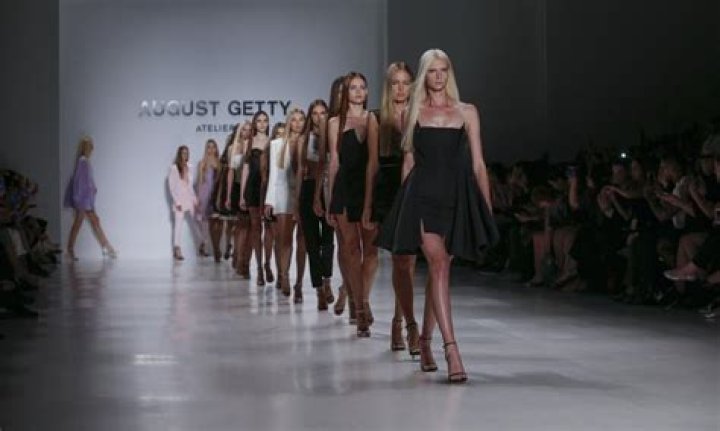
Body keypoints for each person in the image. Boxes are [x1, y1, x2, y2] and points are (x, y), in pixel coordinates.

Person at [378, 49, 498, 383]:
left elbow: (478, 164)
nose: (439, 76)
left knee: (439, 271)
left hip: (456, 197)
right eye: (432, 71)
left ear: (450, 73)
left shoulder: (467, 111)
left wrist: (485, 208)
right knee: (439, 264)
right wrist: (403, 209)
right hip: (422, 196)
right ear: (424, 75)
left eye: (444, 69)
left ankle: (426, 341)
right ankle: (452, 349)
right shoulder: (413, 113)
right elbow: (408, 162)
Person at [363, 61, 420, 354]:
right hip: (387, 192)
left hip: (415, 188)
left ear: (412, 85)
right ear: (388, 87)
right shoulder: (376, 118)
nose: (400, 88)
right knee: (399, 261)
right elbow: (372, 165)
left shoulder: (421, 114)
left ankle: (401, 321)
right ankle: (407, 324)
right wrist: (368, 205)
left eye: (405, 82)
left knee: (409, 262)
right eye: (395, 82)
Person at [328, 72, 380, 337]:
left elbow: (373, 161)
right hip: (344, 189)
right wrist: (329, 200)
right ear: (345, 93)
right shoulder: (334, 122)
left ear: (367, 92)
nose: (358, 92)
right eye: (353, 88)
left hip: (367, 187)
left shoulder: (372, 119)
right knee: (350, 249)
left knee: (371, 251)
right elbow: (334, 162)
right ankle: (359, 309)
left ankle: (363, 299)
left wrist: (370, 198)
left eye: (362, 87)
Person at [298, 99, 335, 310]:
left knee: (328, 240)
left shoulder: (333, 136)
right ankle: (319, 289)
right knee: (312, 243)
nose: (319, 117)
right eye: (315, 113)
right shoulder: (305, 139)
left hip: (328, 189)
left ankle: (327, 281)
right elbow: (302, 170)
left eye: (322, 113)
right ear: (310, 117)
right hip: (309, 188)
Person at [266, 109, 305, 300]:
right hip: (283, 194)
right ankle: (285, 276)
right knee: (284, 239)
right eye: (293, 120)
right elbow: (273, 174)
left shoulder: (310, 142)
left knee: (302, 241)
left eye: (301, 120)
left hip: (303, 195)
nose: (297, 123)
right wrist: (269, 201)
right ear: (289, 122)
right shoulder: (277, 145)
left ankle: (299, 282)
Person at [64, 135, 117, 260]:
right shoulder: (83, 162)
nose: (91, 150)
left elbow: (83, 182)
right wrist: (87, 195)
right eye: (89, 148)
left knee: (93, 222)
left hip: (85, 201)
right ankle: (106, 248)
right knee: (82, 223)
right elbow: (81, 183)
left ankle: (107, 247)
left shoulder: (83, 162)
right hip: (84, 201)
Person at [241, 111, 271, 285]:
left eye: (265, 120)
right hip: (253, 187)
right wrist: (242, 195)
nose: (262, 124)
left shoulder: (273, 141)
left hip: (268, 187)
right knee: (256, 228)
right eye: (258, 121)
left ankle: (267, 264)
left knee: (269, 229)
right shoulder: (248, 143)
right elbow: (245, 169)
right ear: (254, 123)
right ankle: (259, 268)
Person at [168, 145, 201, 260]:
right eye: (183, 153)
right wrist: (177, 202)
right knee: (178, 225)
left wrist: (195, 199)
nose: (185, 155)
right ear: (179, 154)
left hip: (190, 199)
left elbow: (190, 186)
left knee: (197, 222)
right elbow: (171, 187)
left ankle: (202, 244)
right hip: (180, 200)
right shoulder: (174, 168)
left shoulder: (190, 167)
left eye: (187, 153)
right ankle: (177, 249)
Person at [196, 139, 220, 258]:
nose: (211, 149)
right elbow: (200, 181)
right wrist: (199, 197)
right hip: (205, 193)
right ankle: (204, 245)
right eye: (209, 147)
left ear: (216, 148)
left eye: (213, 147)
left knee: (216, 221)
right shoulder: (202, 163)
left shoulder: (219, 162)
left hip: (216, 193)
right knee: (204, 221)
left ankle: (214, 247)